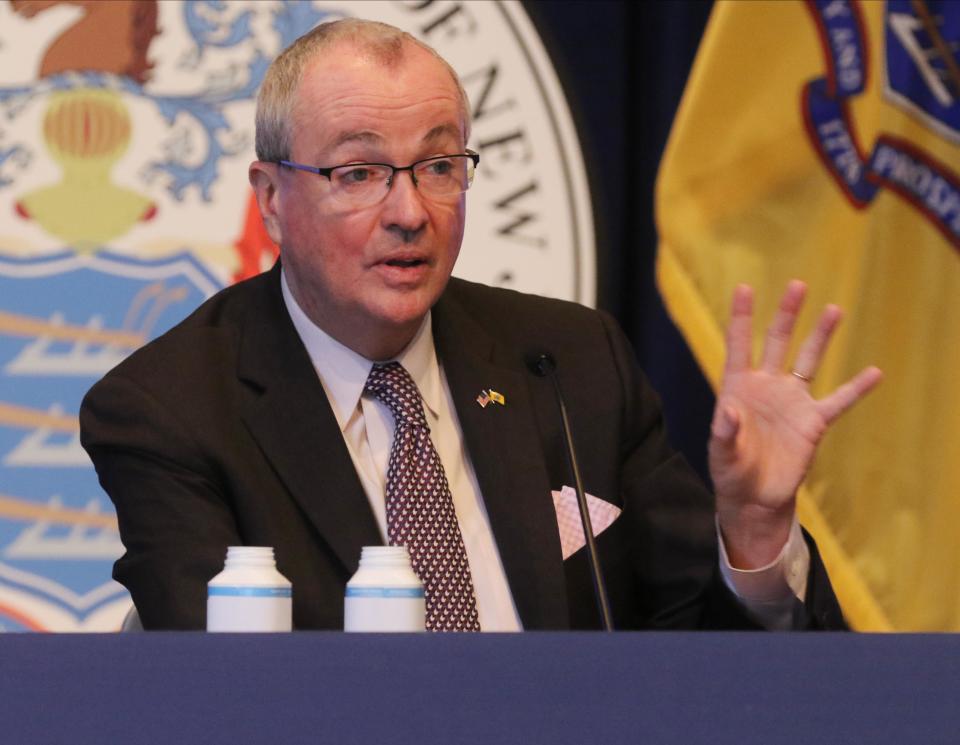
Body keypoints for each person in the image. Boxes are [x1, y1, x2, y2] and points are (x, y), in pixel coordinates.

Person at [79, 19, 882, 631]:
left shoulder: (569, 362)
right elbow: (213, 699)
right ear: (271, 199)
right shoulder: (172, 409)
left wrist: (753, 532)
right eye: (358, 172)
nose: (409, 213)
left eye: (438, 166)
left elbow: (708, 665)